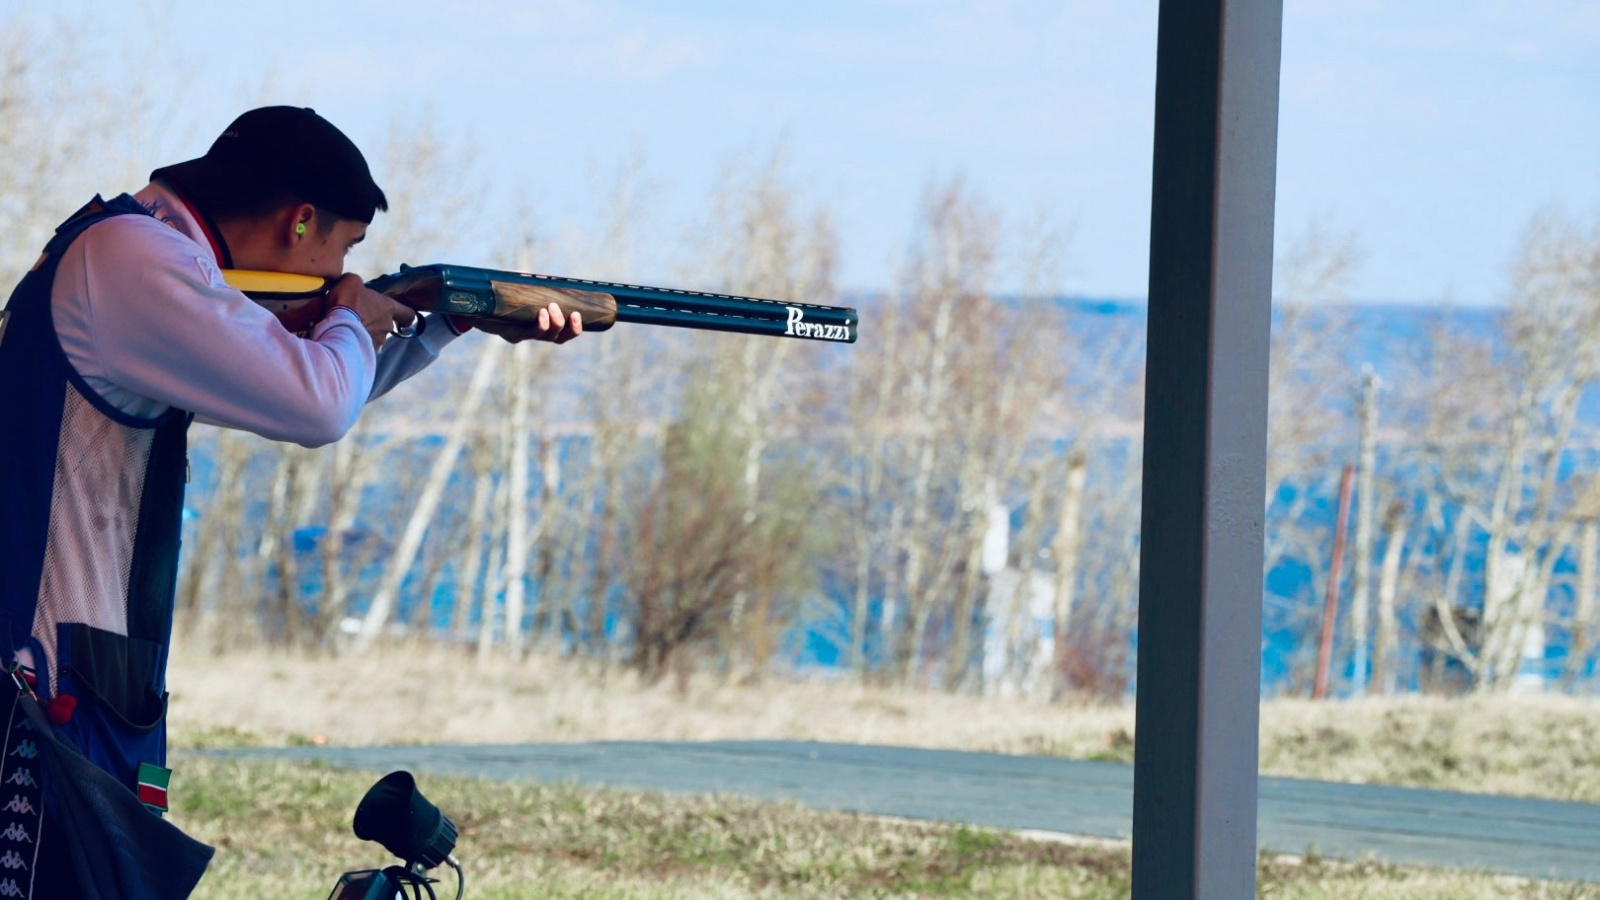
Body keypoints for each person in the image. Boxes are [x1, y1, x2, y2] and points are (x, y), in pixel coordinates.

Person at [0, 105, 581, 897]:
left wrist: (445, 321)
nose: (342, 271)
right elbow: (316, 406)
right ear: (300, 220)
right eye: (346, 247)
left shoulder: (144, 253)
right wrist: (351, 317)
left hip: (87, 679)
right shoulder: (130, 257)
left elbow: (305, 386)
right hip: (47, 689)